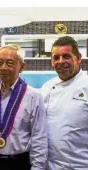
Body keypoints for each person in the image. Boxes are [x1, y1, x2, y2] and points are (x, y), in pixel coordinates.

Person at [0, 44, 47, 170]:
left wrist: (38, 167)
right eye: (0, 62)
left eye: (10, 63)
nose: (3, 67)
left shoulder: (34, 96)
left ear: (22, 67)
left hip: (19, 164)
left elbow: (39, 137)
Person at [40, 36, 88, 170]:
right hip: (49, 165)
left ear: (78, 58)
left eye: (66, 56)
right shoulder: (46, 87)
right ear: (51, 61)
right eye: (56, 57)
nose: (61, 62)